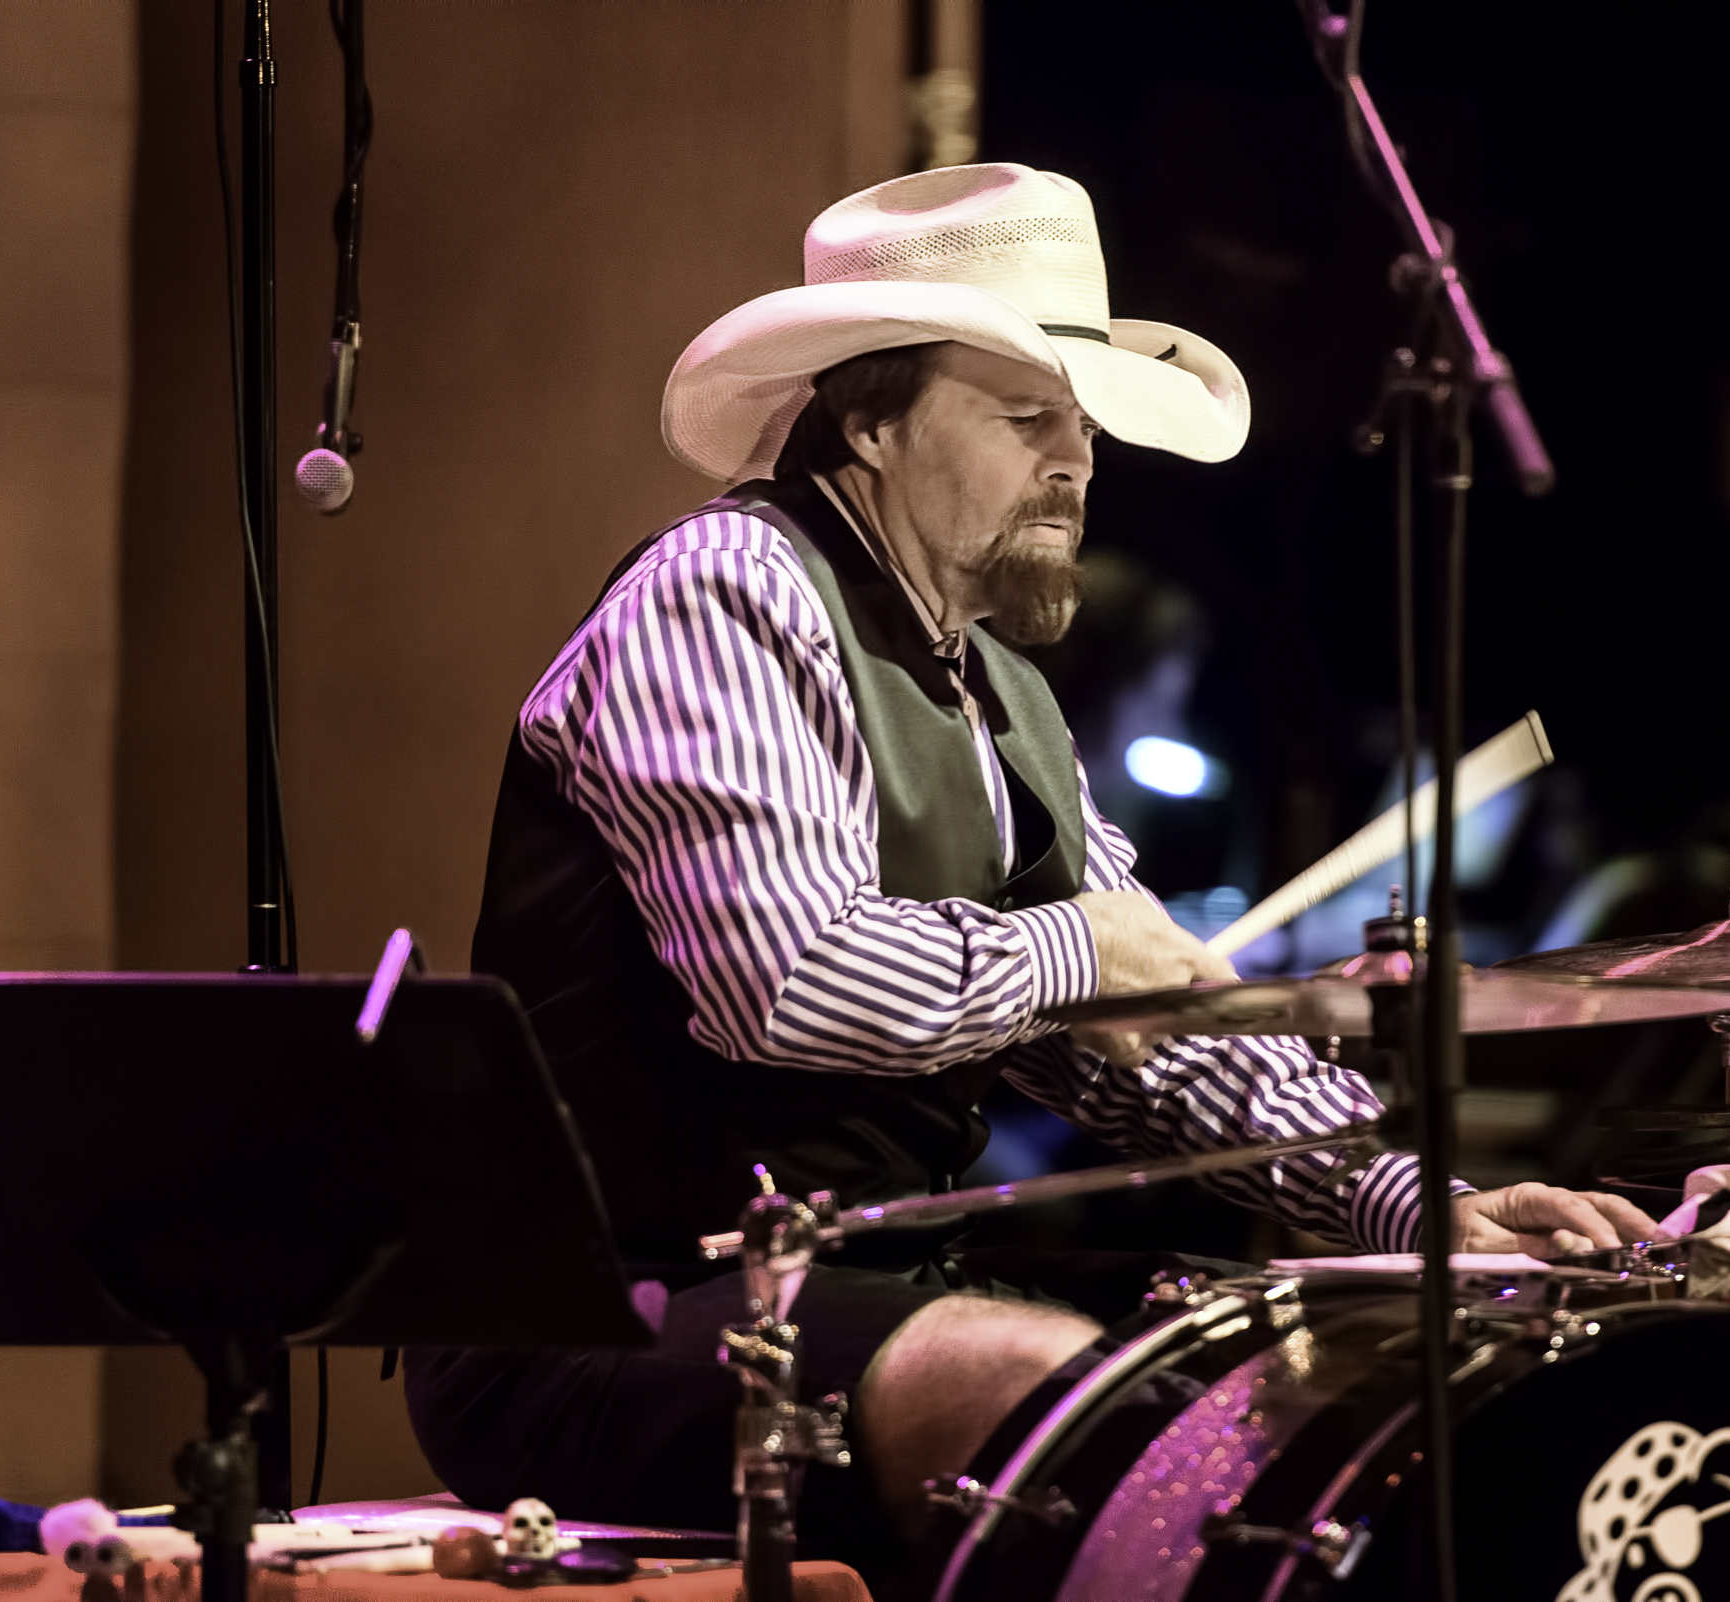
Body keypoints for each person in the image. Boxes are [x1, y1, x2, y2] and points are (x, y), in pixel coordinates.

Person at [405, 162, 1658, 1567]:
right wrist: (1079, 950)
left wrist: (1422, 1207)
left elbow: (1153, 1038)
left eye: (1084, 421)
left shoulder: (1002, 694)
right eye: (1026, 417)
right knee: (1051, 1395)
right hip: (603, 1308)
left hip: (855, 1281)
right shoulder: (725, 593)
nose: (1079, 459)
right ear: (871, 420)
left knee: (1286, 1368)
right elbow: (786, 981)